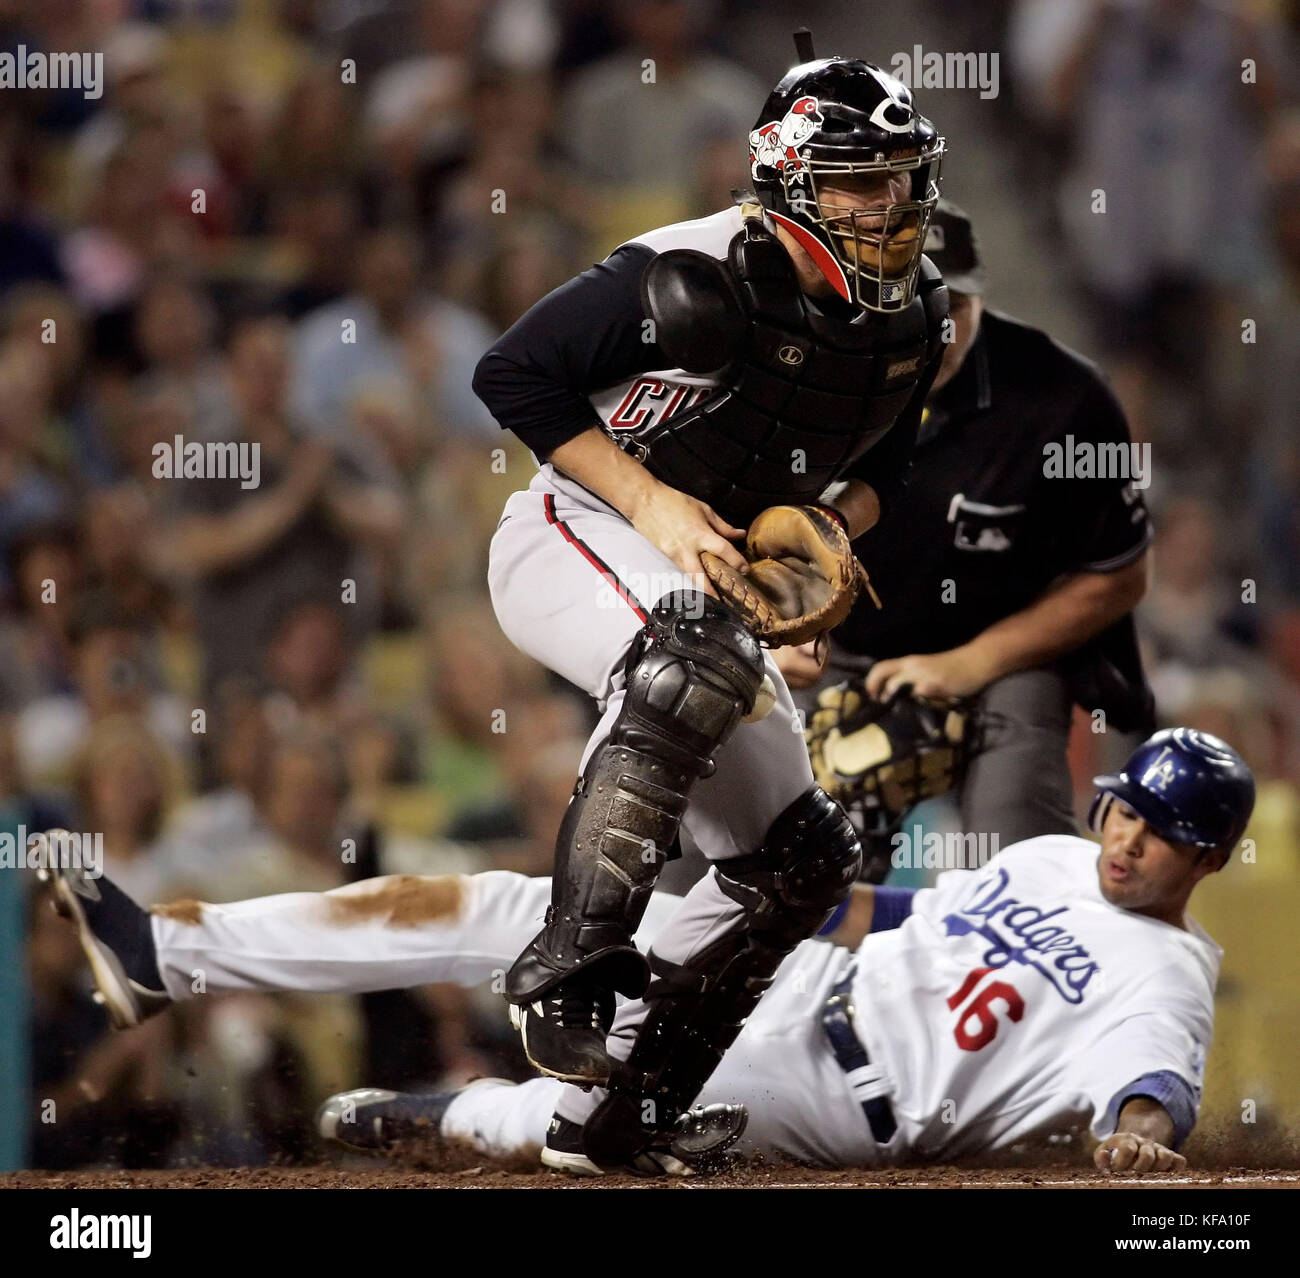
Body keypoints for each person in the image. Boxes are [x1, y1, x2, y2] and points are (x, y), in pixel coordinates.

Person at [39, 727, 1254, 1177]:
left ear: (1207, 859)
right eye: (1127, 812)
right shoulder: (1050, 857)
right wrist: (802, 897)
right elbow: (900, 920)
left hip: (835, 1095)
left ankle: (460, 1115)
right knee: (537, 911)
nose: (1131, 841)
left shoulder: (1166, 972)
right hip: (798, 975)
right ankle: (166, 951)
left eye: (1165, 834)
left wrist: (1135, 1142)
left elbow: (1152, 1081)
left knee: (593, 1125)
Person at [468, 36, 949, 1168]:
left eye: (898, 178)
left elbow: (899, 470)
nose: (888, 205)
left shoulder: (916, 319)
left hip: (712, 577)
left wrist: (830, 536)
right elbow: (510, 373)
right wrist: (660, 512)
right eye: (856, 180)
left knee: (802, 861)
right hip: (577, 528)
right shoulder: (694, 271)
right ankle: (564, 983)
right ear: (788, 182)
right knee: (688, 662)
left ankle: (618, 1119)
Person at [779, 201, 1154, 874]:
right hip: (835, 643)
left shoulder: (1062, 399)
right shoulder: (802, 370)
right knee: (773, 849)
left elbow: (1118, 575)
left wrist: (969, 664)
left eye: (955, 302)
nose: (939, 325)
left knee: (1018, 864)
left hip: (1002, 658)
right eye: (914, 299)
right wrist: (782, 626)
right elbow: (743, 523)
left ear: (981, 294)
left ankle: (1019, 969)